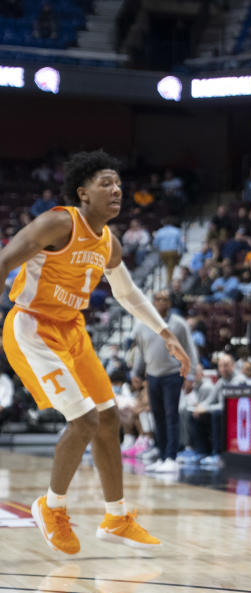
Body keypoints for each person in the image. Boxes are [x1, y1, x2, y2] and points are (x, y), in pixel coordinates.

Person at [0, 150, 190, 554]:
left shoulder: (109, 243)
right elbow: (3, 261)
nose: (117, 189)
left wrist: (164, 332)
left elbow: (126, 293)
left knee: (109, 418)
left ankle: (116, 516)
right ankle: (51, 507)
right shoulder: (59, 221)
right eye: (106, 182)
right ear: (83, 193)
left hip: (72, 329)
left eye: (119, 183)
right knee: (84, 419)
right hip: (32, 325)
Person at [131, 290, 199, 474]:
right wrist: (136, 372)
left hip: (172, 374)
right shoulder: (143, 324)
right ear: (153, 302)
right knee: (157, 417)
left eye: (166, 299)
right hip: (152, 376)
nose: (162, 302)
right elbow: (141, 351)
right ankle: (161, 456)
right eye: (159, 299)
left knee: (171, 416)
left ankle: (172, 457)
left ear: (170, 303)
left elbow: (190, 350)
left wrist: (191, 375)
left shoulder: (178, 325)